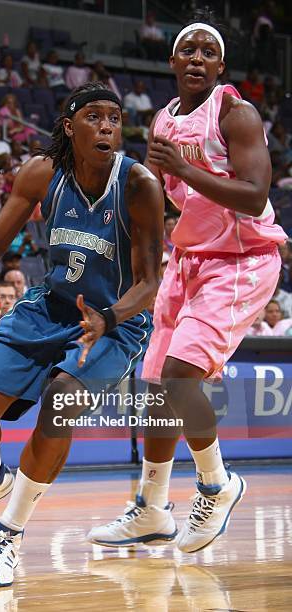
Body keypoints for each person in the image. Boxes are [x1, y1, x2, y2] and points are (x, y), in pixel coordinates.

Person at [0, 82, 163, 588]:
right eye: (94, 116)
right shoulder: (41, 172)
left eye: (115, 118)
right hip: (47, 307)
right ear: (68, 125)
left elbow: (149, 283)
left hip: (112, 322)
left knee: (59, 402)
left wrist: (110, 320)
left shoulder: (139, 184)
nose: (107, 126)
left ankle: (7, 534)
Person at [88, 13, 287, 554]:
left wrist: (185, 168)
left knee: (180, 378)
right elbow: (176, 198)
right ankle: (152, 509)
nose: (196, 58)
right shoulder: (163, 122)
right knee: (156, 389)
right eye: (187, 50)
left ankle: (217, 484)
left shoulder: (235, 113)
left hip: (241, 259)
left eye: (207, 52)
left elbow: (252, 192)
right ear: (173, 62)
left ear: (220, 65)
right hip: (190, 259)